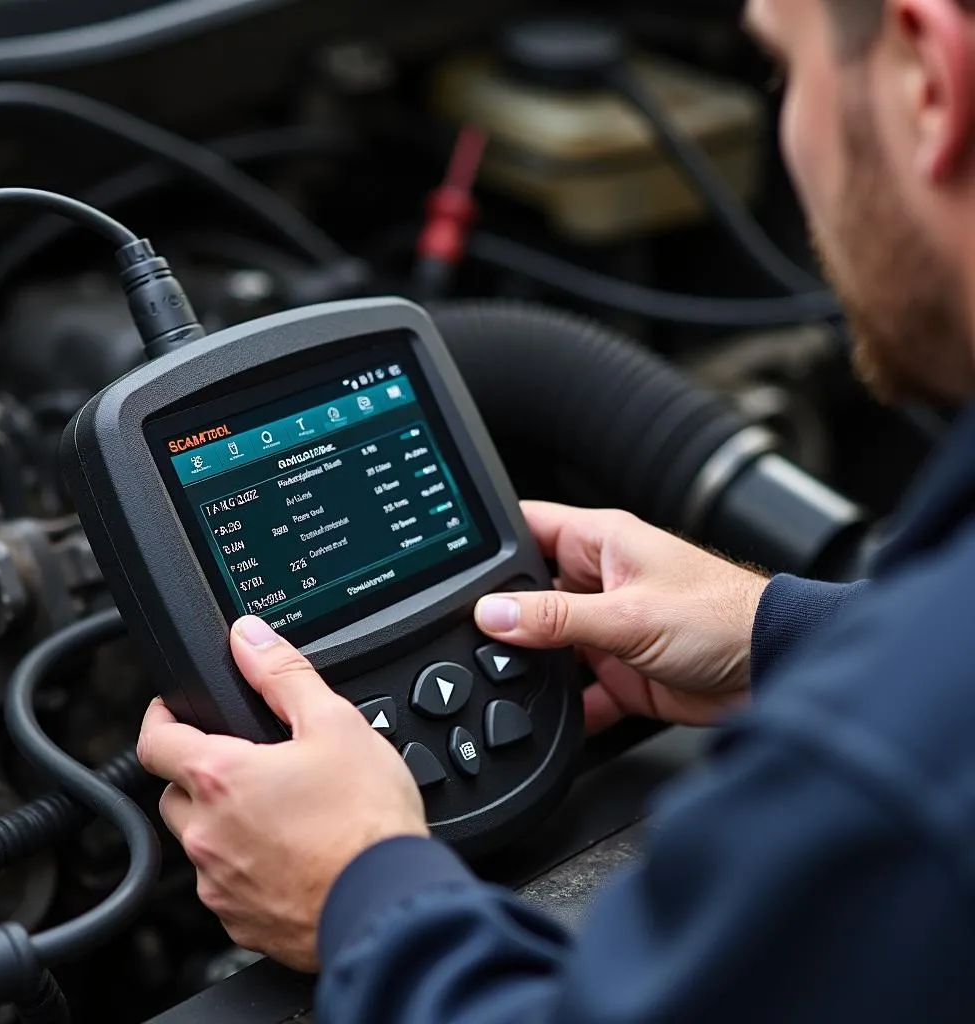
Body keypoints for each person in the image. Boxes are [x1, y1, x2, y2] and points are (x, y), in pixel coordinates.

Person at [135, 0, 975, 1019]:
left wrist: (357, 895)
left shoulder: (887, 776)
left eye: (780, 70)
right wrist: (785, 632)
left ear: (930, 81)